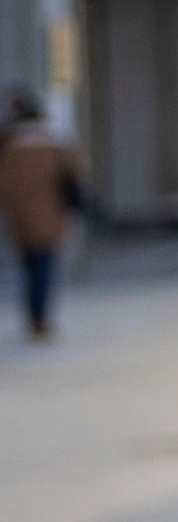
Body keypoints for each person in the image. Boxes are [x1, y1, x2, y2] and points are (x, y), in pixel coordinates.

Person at [0, 87, 80, 340]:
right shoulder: (53, 142)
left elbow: (5, 186)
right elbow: (72, 175)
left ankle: (34, 315)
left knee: (29, 266)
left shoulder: (11, 146)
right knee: (44, 265)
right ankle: (40, 317)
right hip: (50, 214)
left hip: (22, 217)